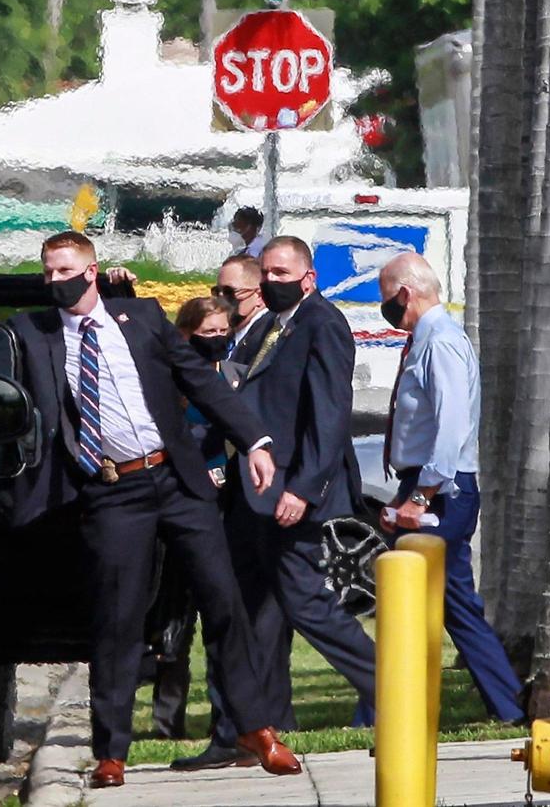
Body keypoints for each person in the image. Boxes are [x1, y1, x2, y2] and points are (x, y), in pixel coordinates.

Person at [0, 231, 300, 788]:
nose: (55, 280)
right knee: (117, 620)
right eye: (48, 272)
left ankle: (255, 729)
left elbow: (200, 382)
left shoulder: (142, 317)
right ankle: (111, 753)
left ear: (91, 270)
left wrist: (255, 441)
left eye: (65, 270)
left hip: (175, 477)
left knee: (222, 598)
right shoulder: (35, 331)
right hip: (110, 490)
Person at [179, 236, 377, 771]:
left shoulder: (322, 324)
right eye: (265, 272)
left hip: (291, 494)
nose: (270, 280)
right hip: (254, 494)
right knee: (244, 612)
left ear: (308, 278)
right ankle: (240, 731)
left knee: (306, 603)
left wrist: (303, 488)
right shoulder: (272, 326)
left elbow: (329, 415)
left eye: (281, 272)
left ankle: (393, 691)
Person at [378, 252, 524, 723]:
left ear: (405, 293)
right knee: (452, 603)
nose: (387, 310)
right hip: (428, 484)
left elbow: (450, 426)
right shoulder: (427, 340)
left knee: (421, 602)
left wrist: (421, 496)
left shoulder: (439, 343)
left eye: (387, 301)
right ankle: (507, 705)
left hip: (442, 490)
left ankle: (383, 709)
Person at [146, 296, 237, 742]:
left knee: (223, 611)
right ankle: (168, 722)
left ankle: (232, 718)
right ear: (185, 335)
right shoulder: (169, 381)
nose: (218, 341)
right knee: (174, 620)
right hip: (180, 502)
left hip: (221, 503)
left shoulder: (232, 376)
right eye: (208, 334)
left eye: (224, 332)